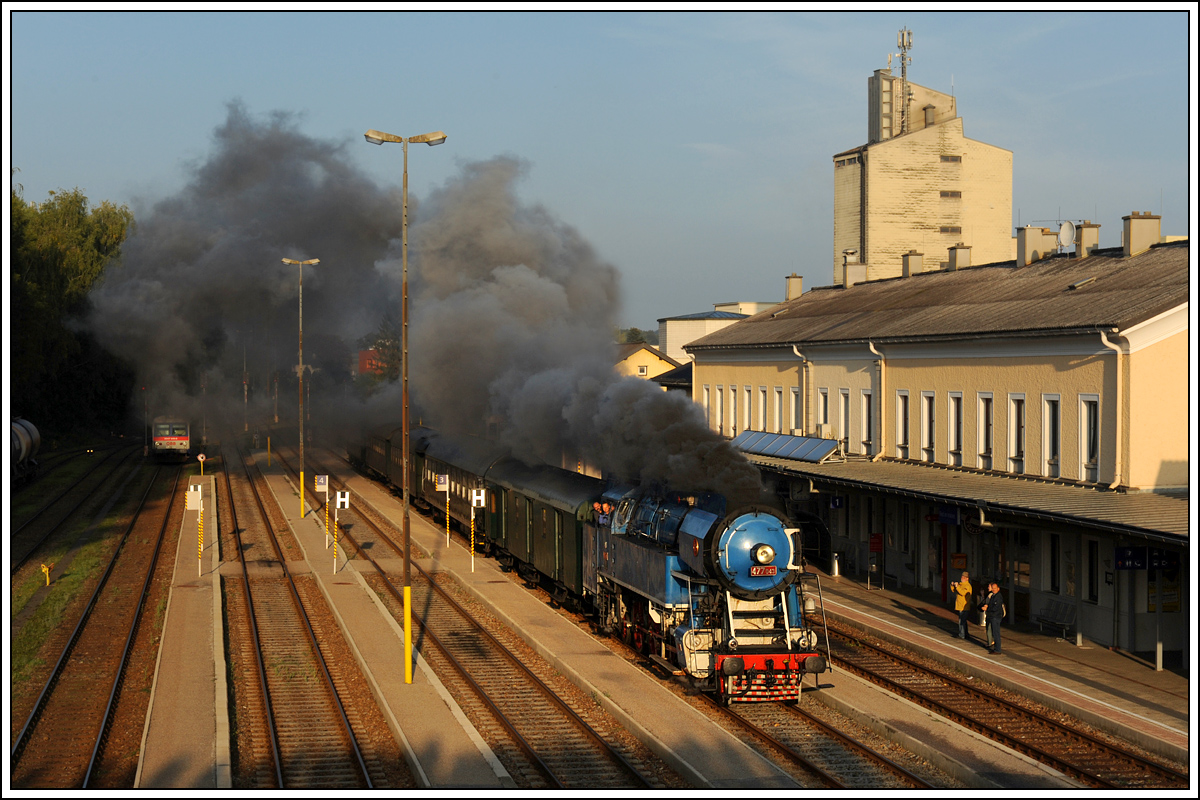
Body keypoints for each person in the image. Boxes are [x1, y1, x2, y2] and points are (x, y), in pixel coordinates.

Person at [983, 581, 1006, 654]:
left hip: (996, 616)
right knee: (994, 632)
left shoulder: (998, 597)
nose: (993, 589)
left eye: (995, 588)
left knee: (996, 633)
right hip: (993, 616)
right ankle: (996, 648)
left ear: (998, 589)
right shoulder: (993, 595)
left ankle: (998, 649)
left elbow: (995, 607)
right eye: (992, 588)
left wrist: (987, 608)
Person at [950, 571, 972, 640]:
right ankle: (966, 633)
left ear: (967, 578)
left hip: (964, 606)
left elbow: (962, 593)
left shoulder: (967, 586)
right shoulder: (961, 584)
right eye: (962, 577)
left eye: (964, 577)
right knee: (963, 621)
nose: (962, 578)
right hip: (960, 605)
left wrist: (957, 587)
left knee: (961, 621)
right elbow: (954, 590)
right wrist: (952, 585)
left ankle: (962, 635)